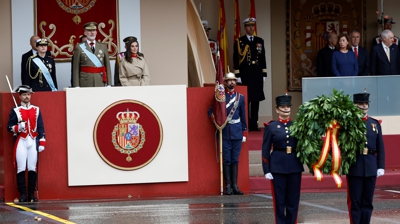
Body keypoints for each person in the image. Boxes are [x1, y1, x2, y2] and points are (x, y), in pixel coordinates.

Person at [262, 93, 304, 224]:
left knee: (293, 200)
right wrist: (266, 169)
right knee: (279, 200)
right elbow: (265, 149)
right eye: (283, 107)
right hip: (277, 166)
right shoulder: (271, 127)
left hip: (294, 165)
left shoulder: (297, 125)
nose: (286, 109)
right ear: (277, 109)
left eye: (288, 107)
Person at [347, 91, 385, 224]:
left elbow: (380, 146)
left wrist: (381, 166)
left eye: (365, 103)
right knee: (356, 201)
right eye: (360, 103)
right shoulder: (348, 123)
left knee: (367, 201)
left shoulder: (374, 124)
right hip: (355, 166)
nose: (364, 106)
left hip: (370, 166)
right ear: (354, 105)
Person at [208, 72, 247, 195]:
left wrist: (243, 130)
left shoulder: (240, 97)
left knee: (235, 159)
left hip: (236, 131)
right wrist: (217, 123)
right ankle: (228, 186)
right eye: (229, 80)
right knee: (227, 160)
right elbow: (210, 112)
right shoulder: (220, 96)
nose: (231, 83)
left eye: (233, 80)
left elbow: (243, 115)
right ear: (224, 82)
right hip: (224, 132)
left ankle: (235, 185)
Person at [7, 85, 46, 202]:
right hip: (21, 141)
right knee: (21, 168)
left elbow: (40, 127)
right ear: (19, 96)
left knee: (32, 167)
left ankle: (31, 195)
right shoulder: (15, 110)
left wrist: (42, 142)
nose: (27, 96)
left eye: (28, 94)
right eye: (24, 94)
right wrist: (19, 127)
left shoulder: (36, 109)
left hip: (33, 140)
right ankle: (23, 194)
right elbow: (9, 128)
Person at [233, 17, 267, 131]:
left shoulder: (259, 40)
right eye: (248, 26)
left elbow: (263, 58)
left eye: (253, 26)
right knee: (245, 100)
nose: (251, 28)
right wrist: (237, 75)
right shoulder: (240, 41)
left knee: (256, 100)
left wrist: (264, 73)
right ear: (245, 27)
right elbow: (236, 59)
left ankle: (254, 124)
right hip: (245, 74)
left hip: (257, 73)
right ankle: (246, 124)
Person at [72, 22, 112, 87]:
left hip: (100, 80)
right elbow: (75, 68)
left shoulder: (103, 46)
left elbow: (107, 66)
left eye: (94, 30)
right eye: (89, 30)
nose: (92, 32)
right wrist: (76, 85)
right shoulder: (79, 47)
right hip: (85, 81)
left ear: (96, 32)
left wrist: (109, 83)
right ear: (85, 33)